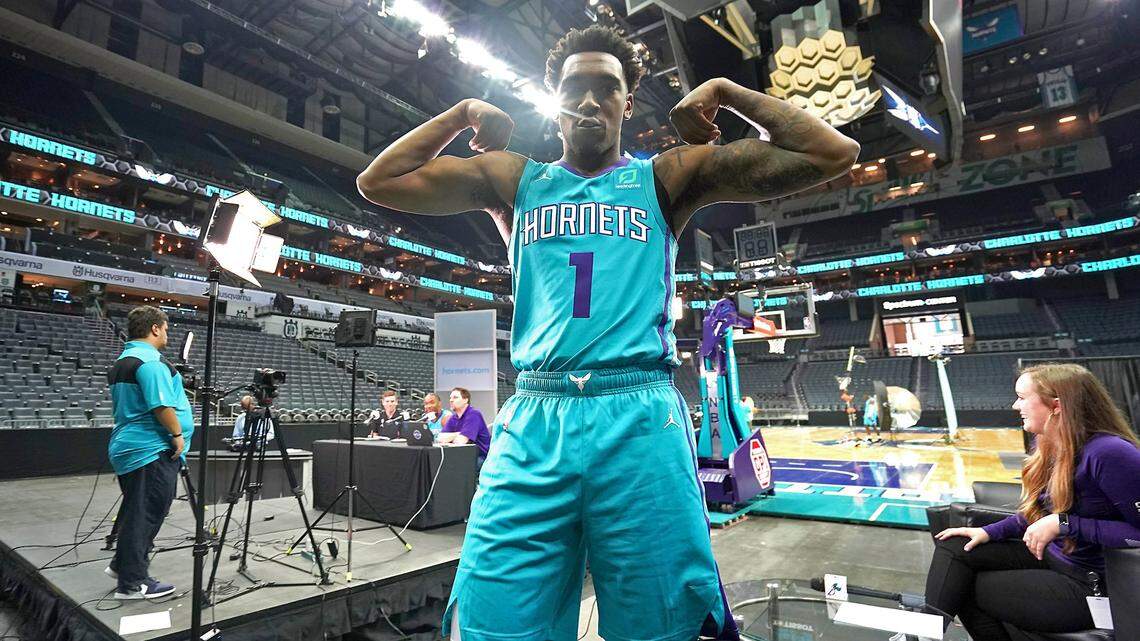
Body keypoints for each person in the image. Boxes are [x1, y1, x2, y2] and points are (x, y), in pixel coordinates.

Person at [356, 23, 858, 641]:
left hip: (639, 418)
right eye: (575, 89)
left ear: (627, 101)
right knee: (496, 622)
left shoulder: (667, 177)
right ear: (555, 101)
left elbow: (830, 154)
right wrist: (461, 114)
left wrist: (727, 91)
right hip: (538, 415)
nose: (589, 101)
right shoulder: (516, 181)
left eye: (607, 88)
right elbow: (378, 181)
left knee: (661, 624)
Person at [926, 363, 1140, 640]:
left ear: (1056, 405)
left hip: (1092, 582)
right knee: (956, 546)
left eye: (1022, 397)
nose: (1016, 406)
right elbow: (1042, 509)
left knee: (966, 588)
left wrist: (1066, 524)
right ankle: (920, 631)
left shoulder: (1110, 453)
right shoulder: (1047, 441)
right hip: (1053, 557)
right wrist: (988, 531)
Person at [105, 306, 195, 599]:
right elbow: (160, 405)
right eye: (166, 328)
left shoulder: (123, 360)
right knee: (146, 514)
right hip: (150, 449)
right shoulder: (150, 362)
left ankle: (122, 565)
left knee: (136, 511)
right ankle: (133, 583)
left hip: (131, 446)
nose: (167, 334)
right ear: (155, 328)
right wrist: (178, 435)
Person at [437, 388, 491, 464]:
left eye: (455, 397)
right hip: (463, 455)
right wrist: (459, 434)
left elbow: (461, 442)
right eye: (450, 398)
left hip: (482, 458)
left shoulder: (474, 414)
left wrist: (451, 437)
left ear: (465, 400)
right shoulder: (453, 418)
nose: (451, 400)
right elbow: (440, 438)